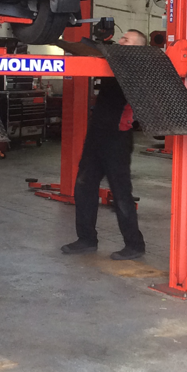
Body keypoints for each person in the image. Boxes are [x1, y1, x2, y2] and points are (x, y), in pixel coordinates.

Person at [61, 29, 148, 260]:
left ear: (137, 49)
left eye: (126, 40)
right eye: (121, 38)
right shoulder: (110, 64)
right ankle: (86, 239)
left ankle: (135, 245)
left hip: (117, 139)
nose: (120, 41)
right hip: (96, 136)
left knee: (121, 194)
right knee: (83, 186)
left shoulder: (135, 72)